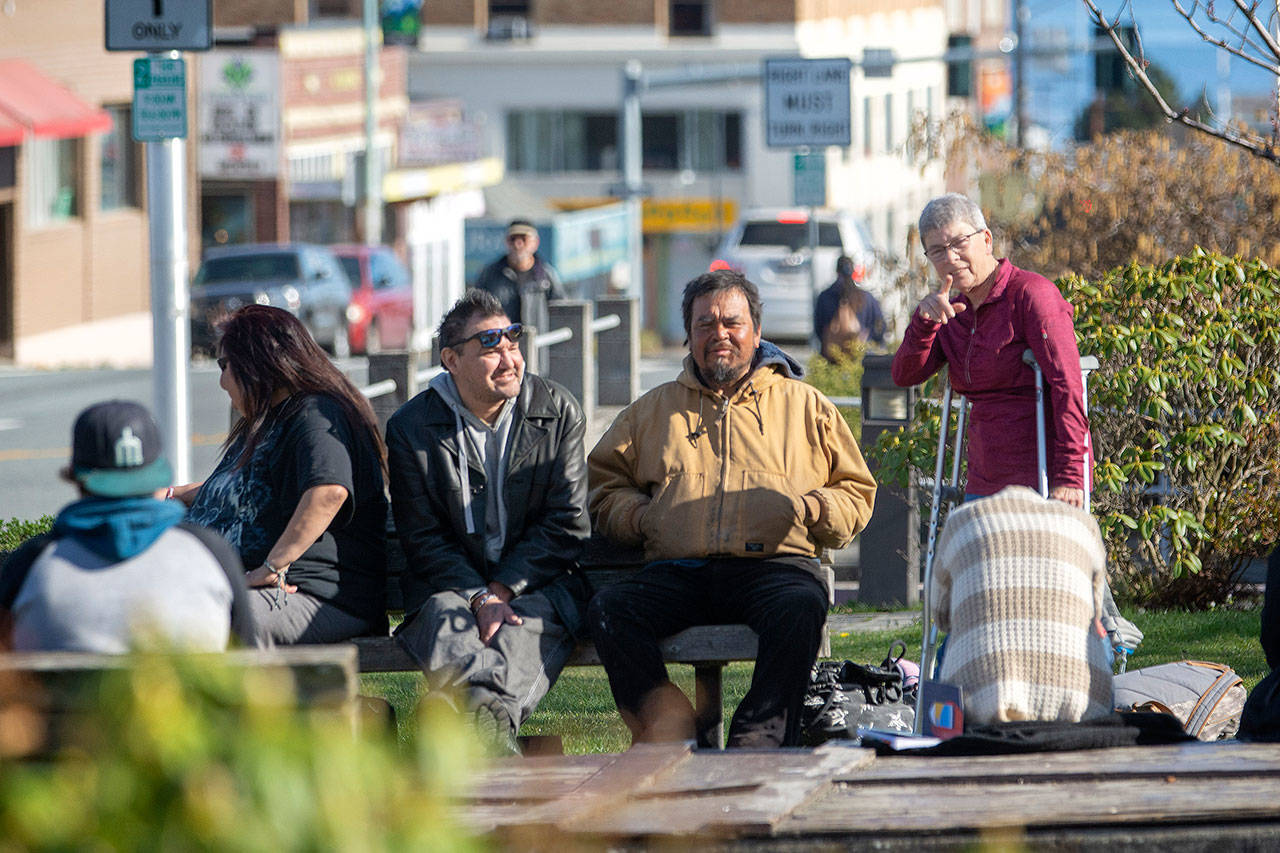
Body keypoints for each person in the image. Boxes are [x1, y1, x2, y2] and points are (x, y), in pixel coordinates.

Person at [587, 269, 878, 748]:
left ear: (756, 333)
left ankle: (758, 734)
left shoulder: (805, 406)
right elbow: (604, 488)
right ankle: (671, 730)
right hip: (680, 570)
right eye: (705, 324)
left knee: (802, 604)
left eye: (731, 323)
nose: (718, 334)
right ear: (689, 335)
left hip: (775, 566)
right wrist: (640, 517)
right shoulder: (652, 410)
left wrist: (810, 508)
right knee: (610, 609)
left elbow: (855, 491)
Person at [386, 289, 591, 753]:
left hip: (539, 589)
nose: (509, 359)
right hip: (447, 592)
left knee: (524, 624)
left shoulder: (557, 411)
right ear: (451, 360)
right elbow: (422, 538)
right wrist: (477, 597)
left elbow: (569, 522)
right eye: (490, 346)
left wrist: (501, 592)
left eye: (513, 343)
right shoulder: (411, 428)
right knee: (444, 618)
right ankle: (491, 728)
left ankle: (467, 721)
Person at [177, 305, 388, 646]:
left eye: (225, 365)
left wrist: (271, 567)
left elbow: (329, 491)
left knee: (221, 619)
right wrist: (182, 494)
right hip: (269, 588)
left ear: (257, 362)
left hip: (316, 596)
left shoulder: (316, 414)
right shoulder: (272, 417)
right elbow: (257, 484)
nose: (221, 381)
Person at [0, 400, 256, 652]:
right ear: (158, 478)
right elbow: (247, 663)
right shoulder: (212, 553)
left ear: (77, 480)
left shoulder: (31, 564)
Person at [891, 192, 1091, 507]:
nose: (951, 258)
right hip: (983, 481)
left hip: (1040, 479)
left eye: (959, 243)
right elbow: (905, 374)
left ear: (986, 240)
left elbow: (1068, 385)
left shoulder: (1032, 295)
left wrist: (1070, 476)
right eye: (938, 251)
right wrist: (923, 323)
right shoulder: (951, 310)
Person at [931, 485, 1114, 725]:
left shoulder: (961, 522)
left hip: (980, 709)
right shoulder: (1084, 525)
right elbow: (1096, 611)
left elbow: (940, 616)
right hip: (1083, 707)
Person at [474, 219, 565, 336]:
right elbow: (476, 311)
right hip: (501, 346)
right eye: (513, 239)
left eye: (523, 238)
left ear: (535, 243)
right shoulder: (490, 274)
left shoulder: (546, 276)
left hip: (537, 345)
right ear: (506, 242)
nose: (518, 244)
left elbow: (561, 312)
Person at [813, 254, 886, 359]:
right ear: (853, 272)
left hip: (832, 358)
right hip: (861, 356)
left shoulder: (825, 297)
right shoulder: (867, 298)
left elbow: (818, 328)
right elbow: (880, 326)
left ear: (836, 272)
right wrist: (868, 338)